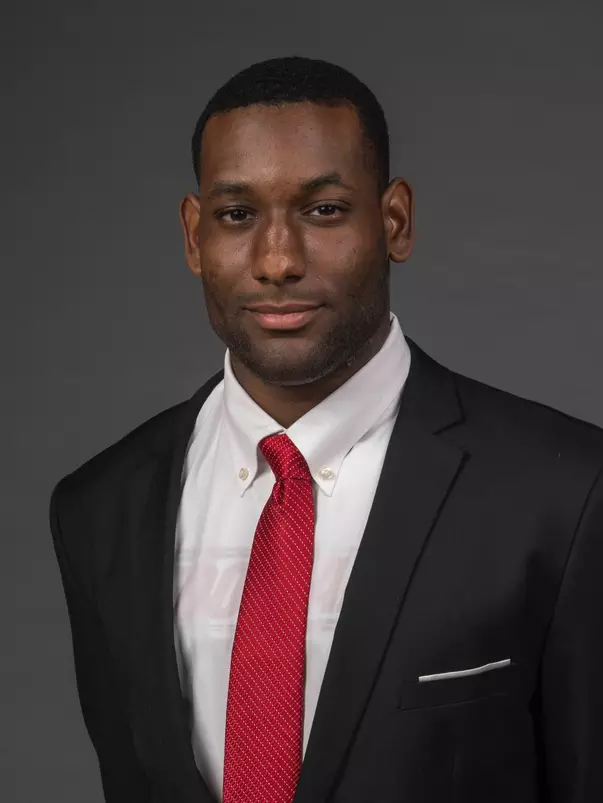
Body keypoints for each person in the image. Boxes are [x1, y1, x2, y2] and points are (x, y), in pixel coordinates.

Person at [49, 55, 603, 803]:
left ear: (394, 221)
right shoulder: (98, 508)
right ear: (192, 235)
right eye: (237, 215)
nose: (277, 260)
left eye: (323, 210)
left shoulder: (565, 494)